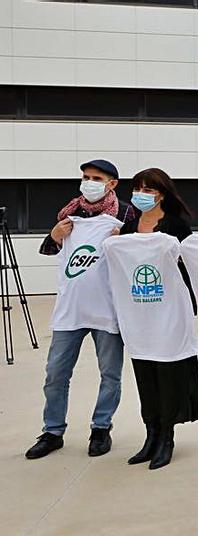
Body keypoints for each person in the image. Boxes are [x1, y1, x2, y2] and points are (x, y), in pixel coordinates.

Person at [25, 159, 135, 460]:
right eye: (85, 177)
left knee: (110, 374)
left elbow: (137, 252)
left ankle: (101, 427)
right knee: (56, 374)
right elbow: (50, 249)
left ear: (111, 183)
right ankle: (52, 431)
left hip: (107, 310)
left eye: (96, 178)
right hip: (69, 311)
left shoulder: (125, 214)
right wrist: (55, 236)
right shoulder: (69, 213)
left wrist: (122, 242)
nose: (88, 182)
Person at [123, 168, 198, 471]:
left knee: (168, 372)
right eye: (138, 187)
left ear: (162, 193)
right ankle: (151, 433)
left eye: (149, 188)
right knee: (145, 371)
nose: (142, 193)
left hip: (168, 310)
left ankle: (167, 436)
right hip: (140, 311)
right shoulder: (128, 227)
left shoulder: (175, 226)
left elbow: (187, 264)